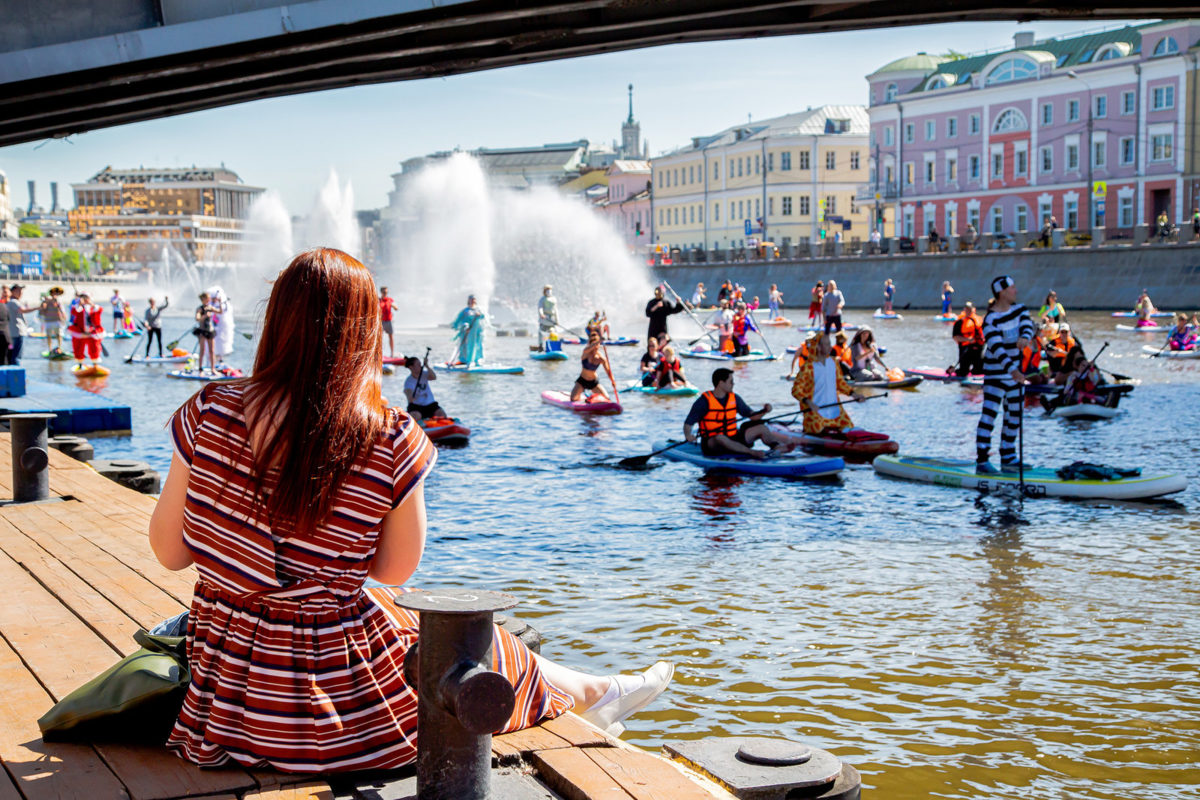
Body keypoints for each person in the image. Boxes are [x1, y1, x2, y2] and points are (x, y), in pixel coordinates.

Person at [148, 248, 673, 772]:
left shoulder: (207, 412)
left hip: (226, 706)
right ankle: (594, 693)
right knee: (468, 644)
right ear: (363, 331)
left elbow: (169, 552)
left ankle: (599, 693)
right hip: (335, 719)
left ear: (277, 319)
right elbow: (395, 570)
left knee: (406, 620)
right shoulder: (390, 434)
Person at [975, 275, 1034, 474]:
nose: (1015, 291)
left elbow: (1027, 325)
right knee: (989, 415)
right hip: (996, 374)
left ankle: (1008, 457)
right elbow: (997, 349)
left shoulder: (1020, 310)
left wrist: (1025, 338)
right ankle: (982, 461)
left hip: (1014, 374)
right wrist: (1013, 371)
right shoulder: (990, 320)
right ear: (1001, 292)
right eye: (1012, 288)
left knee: (1014, 416)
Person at [683, 368, 790, 459]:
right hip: (713, 444)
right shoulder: (704, 401)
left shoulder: (734, 398)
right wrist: (688, 435)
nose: (733, 384)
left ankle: (777, 448)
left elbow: (753, 417)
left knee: (761, 428)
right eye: (731, 381)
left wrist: (765, 411)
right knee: (720, 437)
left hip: (733, 437)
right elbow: (688, 424)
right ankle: (752, 453)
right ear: (721, 383)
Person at [791, 333, 857, 435]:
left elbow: (840, 383)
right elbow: (795, 390)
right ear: (817, 346)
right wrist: (809, 402)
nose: (830, 347)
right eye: (826, 344)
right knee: (817, 429)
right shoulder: (808, 367)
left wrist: (854, 394)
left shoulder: (834, 362)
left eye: (829, 344)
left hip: (836, 411)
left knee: (849, 426)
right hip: (815, 412)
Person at [570, 330, 612, 402]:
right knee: (573, 399)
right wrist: (598, 341)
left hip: (593, 382)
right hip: (582, 381)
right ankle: (585, 397)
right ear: (590, 343)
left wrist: (612, 381)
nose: (595, 346)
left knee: (607, 399)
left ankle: (592, 398)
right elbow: (588, 348)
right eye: (593, 344)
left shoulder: (601, 358)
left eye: (597, 344)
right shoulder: (586, 353)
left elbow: (608, 371)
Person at [68, 291, 105, 369]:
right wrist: (80, 304)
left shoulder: (94, 307)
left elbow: (99, 310)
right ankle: (80, 365)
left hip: (92, 332)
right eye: (83, 297)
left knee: (94, 349)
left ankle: (95, 365)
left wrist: (90, 303)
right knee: (78, 348)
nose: (85, 299)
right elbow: (74, 312)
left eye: (86, 298)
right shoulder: (78, 307)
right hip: (80, 332)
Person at [403, 355, 445, 422]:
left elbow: (434, 377)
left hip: (430, 404)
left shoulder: (424, 374)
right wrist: (410, 396)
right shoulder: (408, 381)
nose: (421, 366)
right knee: (416, 416)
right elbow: (409, 394)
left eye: (421, 364)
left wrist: (427, 366)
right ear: (411, 367)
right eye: (418, 365)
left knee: (441, 414)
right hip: (416, 407)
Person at [450, 295, 487, 366]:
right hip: (467, 332)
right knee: (465, 346)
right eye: (471, 299)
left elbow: (483, 317)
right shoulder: (465, 311)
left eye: (474, 299)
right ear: (468, 301)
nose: (473, 301)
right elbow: (459, 320)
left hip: (477, 332)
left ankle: (477, 360)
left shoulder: (479, 310)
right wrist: (464, 326)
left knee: (478, 345)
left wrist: (480, 315)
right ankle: (464, 360)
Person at [951, 301, 985, 376]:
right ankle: (958, 372)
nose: (968, 311)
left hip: (977, 349)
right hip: (965, 349)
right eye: (966, 309)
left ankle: (977, 379)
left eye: (970, 309)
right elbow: (955, 337)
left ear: (974, 310)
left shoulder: (980, 321)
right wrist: (968, 340)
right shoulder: (959, 322)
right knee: (963, 371)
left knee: (979, 370)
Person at [6, 285, 36, 365]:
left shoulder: (12, 302)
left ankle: (12, 374)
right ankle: (16, 375)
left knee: (12, 356)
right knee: (17, 357)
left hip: (13, 332)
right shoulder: (13, 302)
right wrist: (38, 308)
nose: (20, 293)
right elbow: (23, 310)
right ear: (12, 292)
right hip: (17, 332)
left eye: (21, 291)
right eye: (18, 291)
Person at [193, 292, 218, 373]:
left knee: (212, 351)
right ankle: (200, 369)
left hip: (210, 331)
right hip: (202, 331)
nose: (210, 299)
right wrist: (205, 316)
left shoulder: (210, 307)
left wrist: (220, 302)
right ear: (204, 299)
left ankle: (213, 369)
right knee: (202, 350)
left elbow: (220, 311)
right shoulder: (200, 309)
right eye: (208, 297)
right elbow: (197, 318)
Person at [208, 287, 236, 358]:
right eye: (212, 298)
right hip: (212, 327)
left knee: (220, 343)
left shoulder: (224, 304)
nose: (214, 299)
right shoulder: (210, 304)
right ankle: (212, 359)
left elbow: (223, 313)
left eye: (215, 298)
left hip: (221, 327)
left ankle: (220, 359)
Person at [40, 286, 66, 353]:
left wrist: (64, 318)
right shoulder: (46, 301)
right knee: (49, 335)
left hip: (57, 320)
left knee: (59, 335)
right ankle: (50, 349)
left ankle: (59, 348)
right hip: (49, 321)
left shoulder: (58, 302)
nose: (55, 295)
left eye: (57, 294)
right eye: (54, 293)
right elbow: (42, 311)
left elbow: (62, 311)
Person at [379, 287, 396, 357]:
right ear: (381, 292)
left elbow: (396, 308)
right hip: (381, 322)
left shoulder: (390, 300)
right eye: (384, 292)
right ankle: (379, 354)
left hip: (389, 321)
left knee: (391, 337)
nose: (385, 294)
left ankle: (392, 353)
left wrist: (392, 305)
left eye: (386, 292)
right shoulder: (379, 300)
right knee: (379, 338)